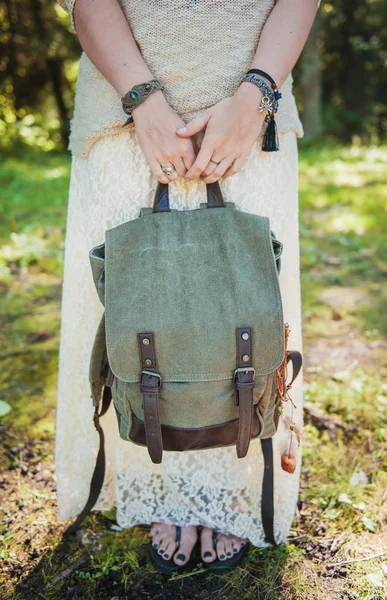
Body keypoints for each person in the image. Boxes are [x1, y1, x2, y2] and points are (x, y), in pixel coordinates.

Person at [55, 0, 320, 570]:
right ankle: (161, 486)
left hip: (254, 111)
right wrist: (142, 103)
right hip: (122, 108)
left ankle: (226, 485)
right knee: (144, 313)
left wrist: (256, 96)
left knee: (241, 311)